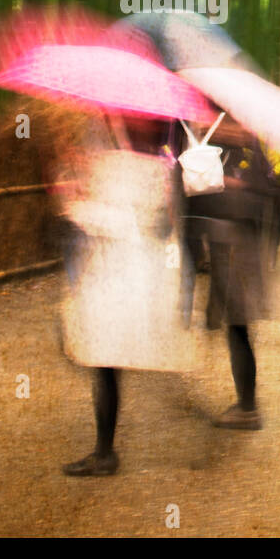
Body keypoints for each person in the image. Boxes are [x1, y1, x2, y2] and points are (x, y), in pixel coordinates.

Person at [56, 116, 195, 477]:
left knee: (104, 362)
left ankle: (104, 453)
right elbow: (164, 224)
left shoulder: (125, 166)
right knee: (104, 365)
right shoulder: (160, 166)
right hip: (124, 276)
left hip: (116, 278)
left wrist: (80, 208)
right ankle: (104, 450)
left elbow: (136, 224)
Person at [182, 118, 278, 430]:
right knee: (235, 326)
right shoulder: (212, 149)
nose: (208, 125)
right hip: (226, 249)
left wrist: (235, 186)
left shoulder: (247, 152)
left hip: (240, 252)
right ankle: (246, 404)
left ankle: (248, 407)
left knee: (238, 326)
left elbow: (268, 191)